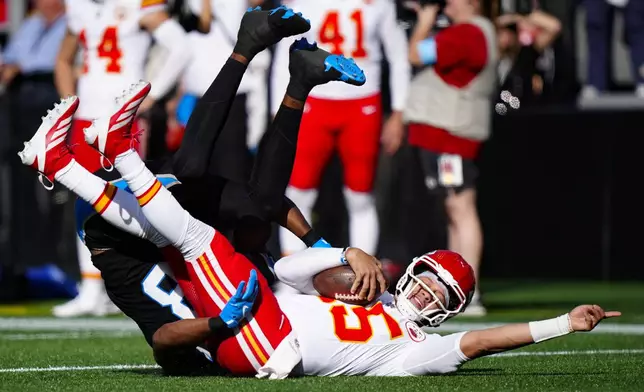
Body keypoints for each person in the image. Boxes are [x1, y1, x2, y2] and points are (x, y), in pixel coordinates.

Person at [19, 6, 378, 377]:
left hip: (118, 234)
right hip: (165, 232)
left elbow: (163, 339)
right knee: (257, 211)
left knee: (199, 183)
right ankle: (300, 80)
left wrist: (217, 325)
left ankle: (67, 163)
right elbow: (273, 209)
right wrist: (330, 248)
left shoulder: (221, 344)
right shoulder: (257, 295)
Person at [154, 248, 620, 377]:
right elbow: (289, 270)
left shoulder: (417, 350)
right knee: (160, 316)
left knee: (194, 243)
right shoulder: (370, 291)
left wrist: (563, 323)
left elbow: (480, 341)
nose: (427, 292)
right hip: (260, 314)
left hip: (264, 344)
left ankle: (98, 170)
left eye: (442, 291)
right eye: (429, 278)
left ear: (450, 309)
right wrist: (347, 253)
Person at [52, 0, 192, 317]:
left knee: (129, 197)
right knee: (83, 199)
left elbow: (180, 47)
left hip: (121, 118)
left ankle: (140, 277)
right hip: (85, 116)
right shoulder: (79, 6)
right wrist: (68, 105)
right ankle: (91, 287)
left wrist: (151, 97)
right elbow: (62, 60)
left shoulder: (140, 4)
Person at [274, 0, 411, 257]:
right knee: (298, 191)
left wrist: (399, 112)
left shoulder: (380, 3)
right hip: (313, 101)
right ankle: (291, 276)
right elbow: (286, 51)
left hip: (362, 104)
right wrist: (278, 108)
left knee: (360, 196)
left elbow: (397, 53)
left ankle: (365, 277)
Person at [398, 0, 498, 316]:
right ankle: (459, 285)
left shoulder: (468, 33)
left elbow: (415, 53)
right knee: (454, 209)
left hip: (451, 137)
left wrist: (425, 20)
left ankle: (470, 290)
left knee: (460, 207)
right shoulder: (469, 31)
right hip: (447, 136)